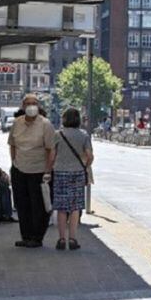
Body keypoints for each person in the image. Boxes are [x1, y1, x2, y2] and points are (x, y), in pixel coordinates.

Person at [8, 93, 56, 248]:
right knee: (22, 205)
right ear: (23, 106)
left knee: (39, 206)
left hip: (40, 171)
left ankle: (37, 237)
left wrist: (48, 171)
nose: (31, 106)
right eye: (28, 103)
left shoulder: (46, 124)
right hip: (20, 169)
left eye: (34, 103)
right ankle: (26, 235)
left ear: (38, 106)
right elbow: (12, 145)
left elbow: (50, 149)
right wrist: (14, 163)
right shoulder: (17, 123)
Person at [50, 107, 93, 251]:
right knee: (75, 207)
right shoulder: (84, 135)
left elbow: (52, 156)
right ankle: (73, 239)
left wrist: (48, 170)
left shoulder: (58, 134)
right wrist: (85, 166)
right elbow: (90, 155)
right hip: (77, 173)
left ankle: (61, 239)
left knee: (61, 208)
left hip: (60, 173)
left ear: (64, 119)